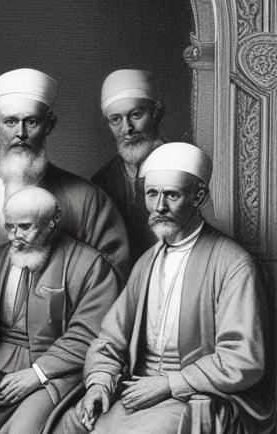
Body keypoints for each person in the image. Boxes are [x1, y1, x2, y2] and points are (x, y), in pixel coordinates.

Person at [56, 142, 274, 434]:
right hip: (137, 388)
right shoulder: (148, 261)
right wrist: (100, 382)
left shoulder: (234, 264)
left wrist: (170, 384)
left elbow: (242, 358)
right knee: (68, 424)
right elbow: (111, 336)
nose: (159, 206)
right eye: (152, 194)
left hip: (195, 395)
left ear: (198, 197)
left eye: (172, 195)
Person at [0, 187, 120, 433]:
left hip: (53, 374)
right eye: (9, 227)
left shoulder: (91, 266)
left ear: (53, 221)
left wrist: (37, 374)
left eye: (25, 227)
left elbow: (89, 334)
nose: (14, 237)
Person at [0, 68, 130, 277]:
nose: (20, 134)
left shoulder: (88, 200)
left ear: (49, 124)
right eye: (10, 122)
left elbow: (112, 273)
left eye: (31, 122)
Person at [91, 69, 167, 257]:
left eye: (135, 115)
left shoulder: (185, 171)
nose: (127, 129)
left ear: (156, 113)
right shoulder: (100, 184)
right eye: (116, 119)